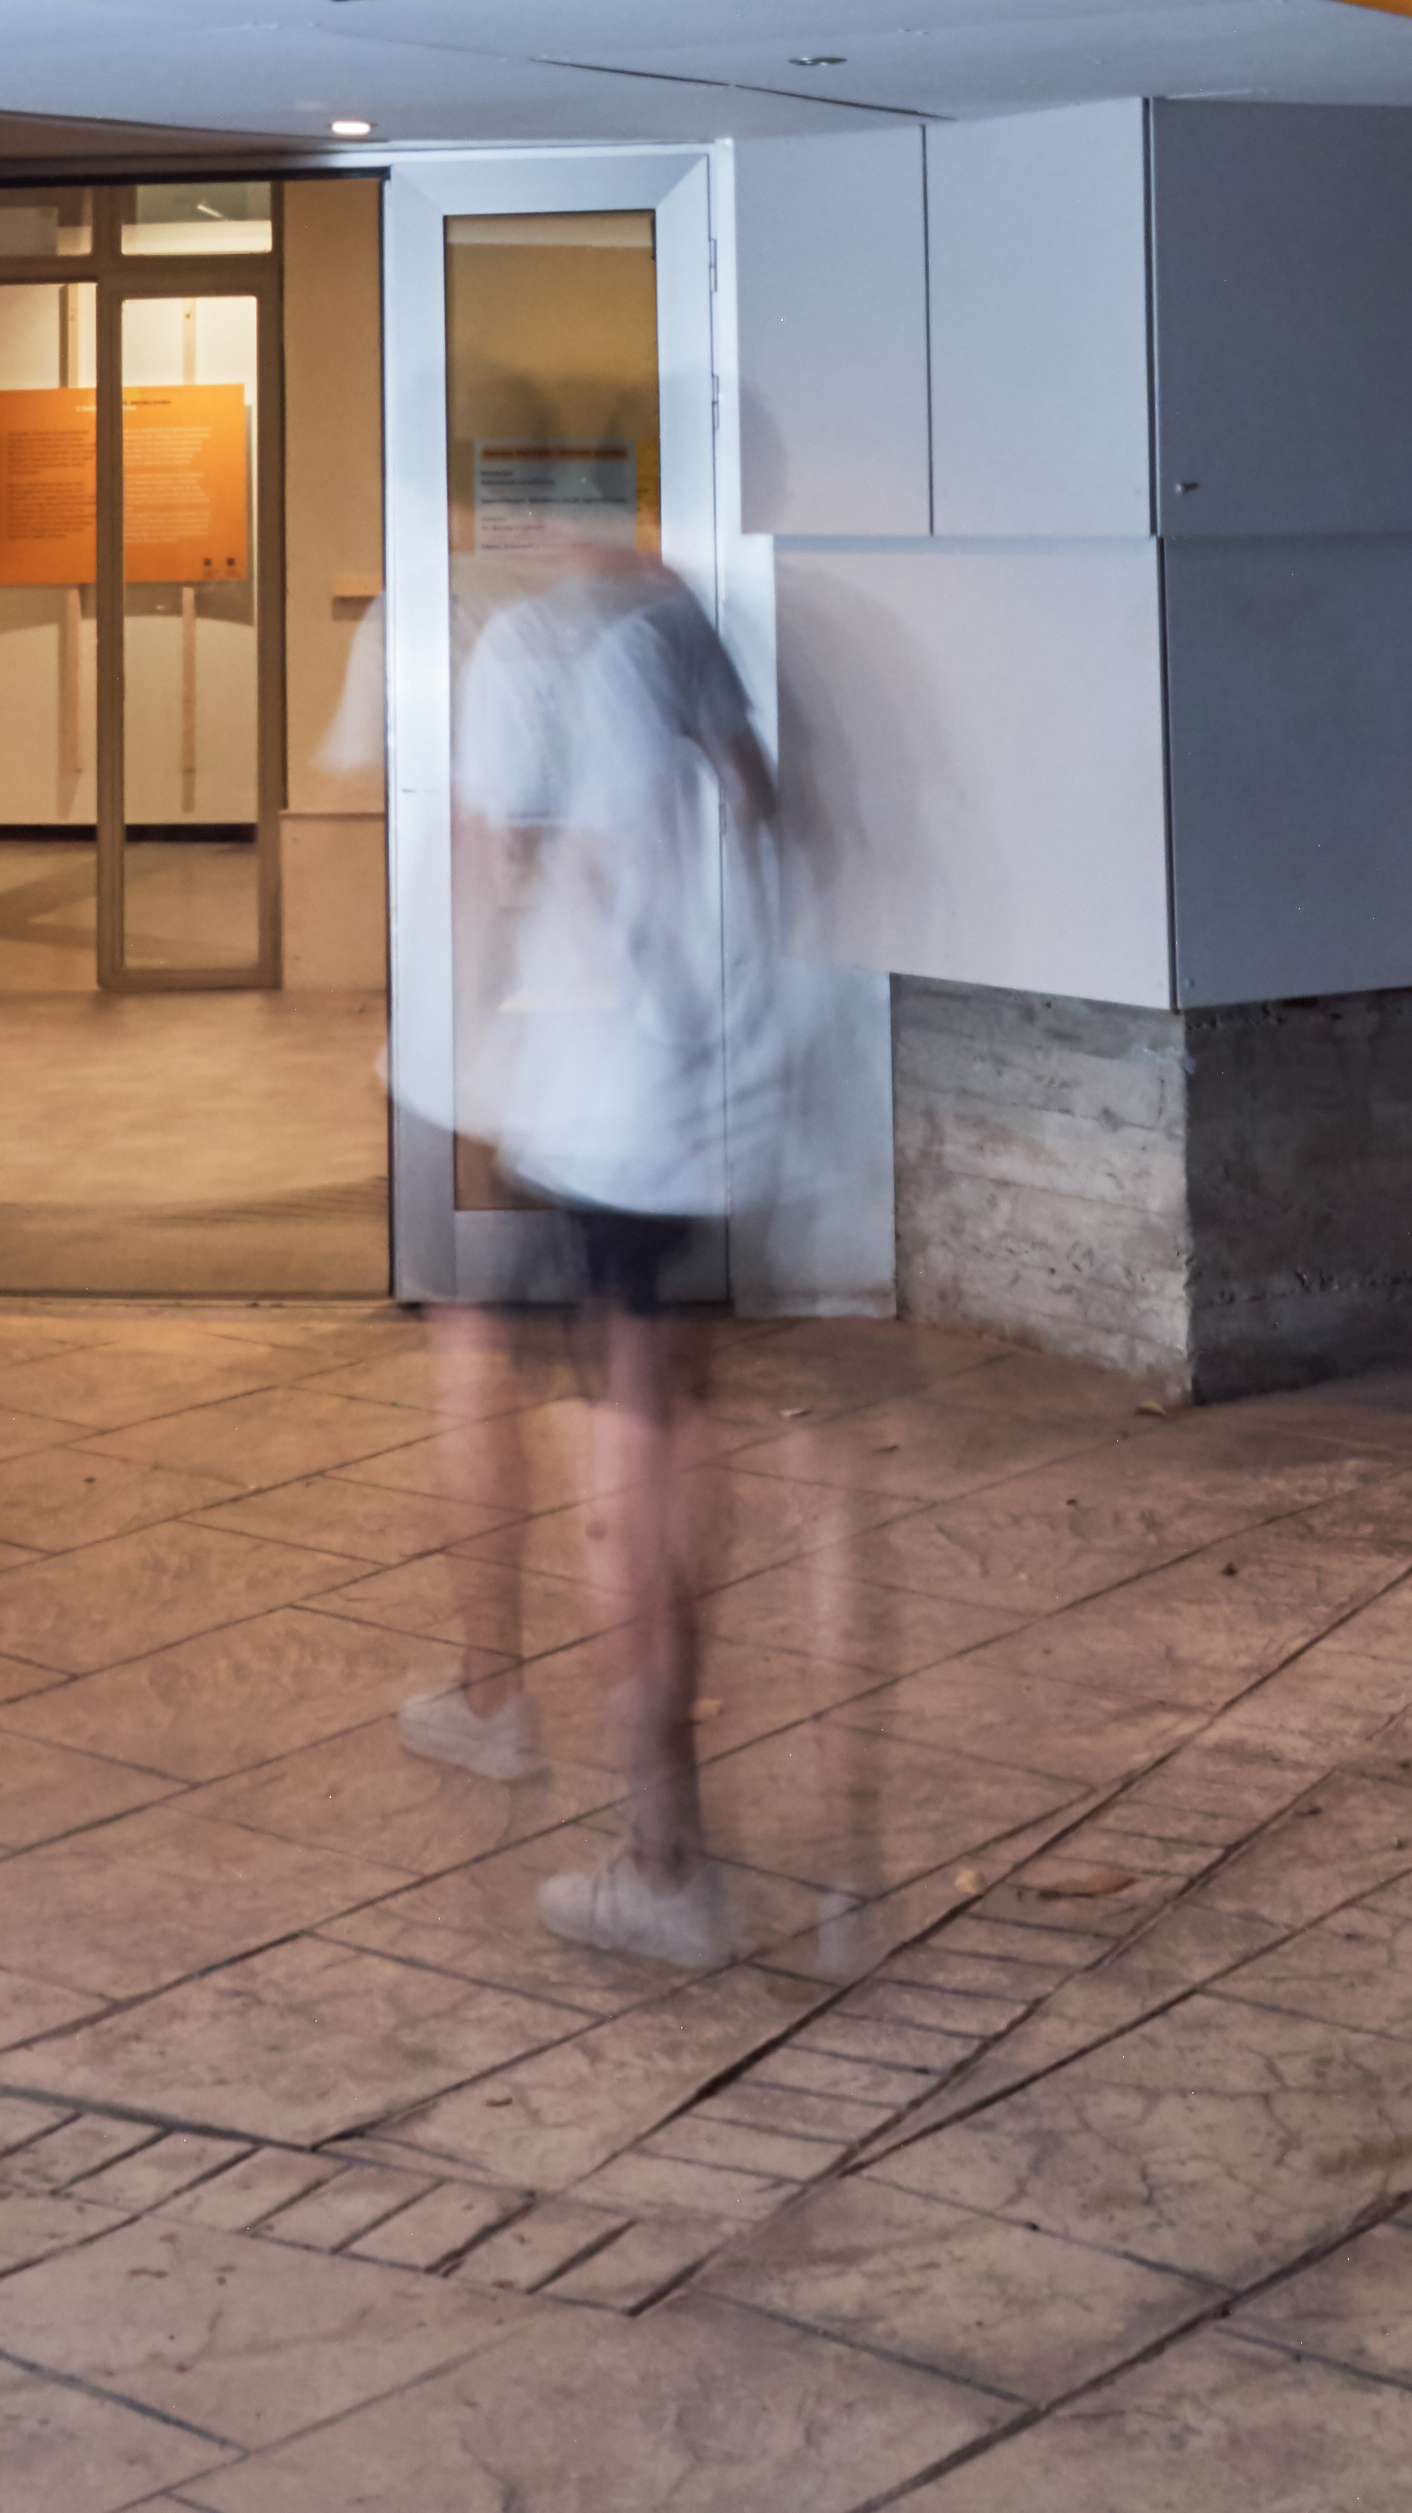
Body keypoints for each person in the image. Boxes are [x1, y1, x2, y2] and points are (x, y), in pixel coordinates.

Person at [396, 554, 777, 1969]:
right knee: (671, 1415)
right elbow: (760, 801)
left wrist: (468, 1066)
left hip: (599, 1086)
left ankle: (661, 1848)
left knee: (620, 1454)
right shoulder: (676, 614)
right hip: (700, 1079)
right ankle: (653, 1815)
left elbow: (498, 856)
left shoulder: (536, 648)